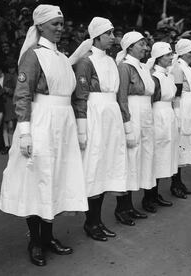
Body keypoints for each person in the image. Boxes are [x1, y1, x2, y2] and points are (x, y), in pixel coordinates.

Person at [0, 5, 88, 266]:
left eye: (61, 24)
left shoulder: (61, 57)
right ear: (40, 26)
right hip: (41, 122)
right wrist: (25, 133)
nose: (60, 29)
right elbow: (23, 94)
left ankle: (48, 237)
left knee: (57, 179)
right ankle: (35, 241)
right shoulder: (33, 55)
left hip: (63, 123)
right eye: (54, 24)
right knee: (37, 179)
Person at [69, 17, 128, 241]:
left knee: (106, 166)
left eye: (113, 33)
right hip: (95, 114)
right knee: (94, 166)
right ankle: (90, 222)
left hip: (110, 114)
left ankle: (98, 220)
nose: (113, 37)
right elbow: (81, 97)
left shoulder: (112, 61)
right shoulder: (86, 62)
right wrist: (82, 129)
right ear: (97, 36)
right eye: (109, 33)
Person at [115, 31, 157, 217]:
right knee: (130, 159)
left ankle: (130, 206)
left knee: (141, 158)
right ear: (130, 46)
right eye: (141, 44)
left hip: (145, 114)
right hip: (133, 113)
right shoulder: (125, 67)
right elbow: (121, 97)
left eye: (146, 44)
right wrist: (127, 125)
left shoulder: (142, 67)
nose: (145, 48)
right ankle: (122, 207)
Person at [146, 42, 177, 207]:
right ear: (158, 58)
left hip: (168, 115)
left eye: (171, 54)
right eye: (167, 55)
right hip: (158, 116)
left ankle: (155, 193)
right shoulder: (154, 77)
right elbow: (151, 101)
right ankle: (148, 197)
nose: (171, 57)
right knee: (156, 155)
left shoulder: (168, 75)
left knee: (164, 155)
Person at [171, 38, 191, 198]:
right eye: (190, 51)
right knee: (180, 146)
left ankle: (178, 182)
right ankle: (175, 183)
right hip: (184, 108)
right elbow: (177, 93)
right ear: (182, 52)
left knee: (186, 146)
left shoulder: (187, 68)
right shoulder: (178, 68)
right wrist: (177, 114)